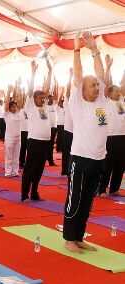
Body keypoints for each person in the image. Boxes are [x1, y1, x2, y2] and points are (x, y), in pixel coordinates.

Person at [63, 31, 110, 253]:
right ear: (82, 89)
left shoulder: (101, 101)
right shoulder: (78, 102)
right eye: (92, 86)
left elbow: (100, 73)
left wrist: (94, 49)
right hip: (80, 158)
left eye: (97, 86)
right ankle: (69, 238)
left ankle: (79, 236)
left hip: (98, 159)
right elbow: (80, 74)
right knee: (75, 199)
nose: (97, 88)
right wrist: (76, 48)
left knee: (88, 202)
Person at [21, 59, 52, 202]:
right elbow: (30, 89)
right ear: (34, 99)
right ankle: (24, 194)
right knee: (30, 169)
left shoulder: (45, 106)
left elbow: (47, 88)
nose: (43, 99)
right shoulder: (30, 106)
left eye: (44, 98)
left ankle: (35, 193)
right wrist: (33, 72)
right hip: (34, 141)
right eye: (40, 98)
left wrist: (50, 71)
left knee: (39, 169)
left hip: (46, 142)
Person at [98, 55, 124, 197]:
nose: (119, 93)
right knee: (108, 165)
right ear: (109, 93)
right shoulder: (106, 101)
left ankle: (114, 188)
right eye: (116, 91)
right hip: (111, 137)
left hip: (123, 137)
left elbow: (124, 83)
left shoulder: (121, 101)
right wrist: (108, 68)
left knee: (120, 165)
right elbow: (107, 83)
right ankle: (102, 189)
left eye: (119, 92)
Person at [4, 92, 22, 177]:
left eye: (15, 107)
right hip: (10, 139)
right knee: (9, 157)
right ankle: (8, 172)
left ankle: (15, 172)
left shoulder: (18, 113)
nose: (15, 108)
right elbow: (7, 104)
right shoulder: (7, 114)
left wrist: (18, 89)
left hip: (18, 139)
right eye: (13, 107)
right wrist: (9, 91)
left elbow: (19, 101)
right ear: (9, 108)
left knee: (16, 156)